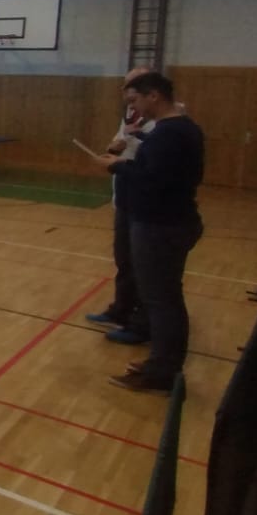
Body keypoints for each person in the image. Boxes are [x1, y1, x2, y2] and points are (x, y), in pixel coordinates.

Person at [96, 73, 204, 394]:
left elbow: (153, 178)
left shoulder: (170, 133)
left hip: (161, 225)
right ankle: (161, 364)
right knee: (163, 298)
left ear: (154, 96)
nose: (135, 108)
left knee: (162, 300)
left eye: (136, 100)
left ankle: (162, 372)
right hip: (169, 221)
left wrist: (117, 165)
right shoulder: (180, 129)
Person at [86, 67, 154, 342]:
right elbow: (122, 141)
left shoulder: (162, 120)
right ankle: (122, 310)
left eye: (132, 86)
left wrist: (120, 162)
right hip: (125, 192)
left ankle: (141, 323)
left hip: (144, 197)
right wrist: (115, 148)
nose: (126, 92)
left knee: (143, 265)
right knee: (124, 259)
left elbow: (152, 163)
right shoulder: (131, 112)